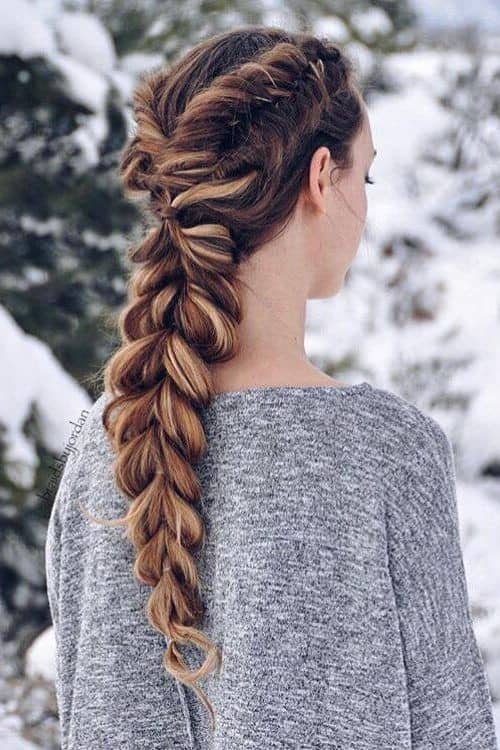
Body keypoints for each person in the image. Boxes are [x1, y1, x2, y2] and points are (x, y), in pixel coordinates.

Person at [44, 25, 498, 750]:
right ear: (322, 178)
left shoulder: (109, 446)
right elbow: (454, 732)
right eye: (365, 175)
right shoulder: (386, 451)